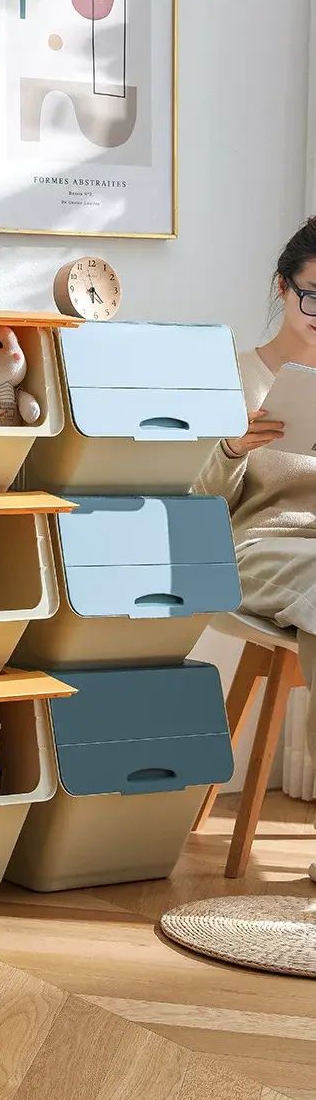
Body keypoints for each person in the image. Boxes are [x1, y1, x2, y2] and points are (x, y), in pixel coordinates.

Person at [193, 218, 316, 879]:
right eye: (313, 296)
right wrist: (233, 447)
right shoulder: (233, 376)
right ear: (282, 287)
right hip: (259, 545)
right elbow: (196, 500)